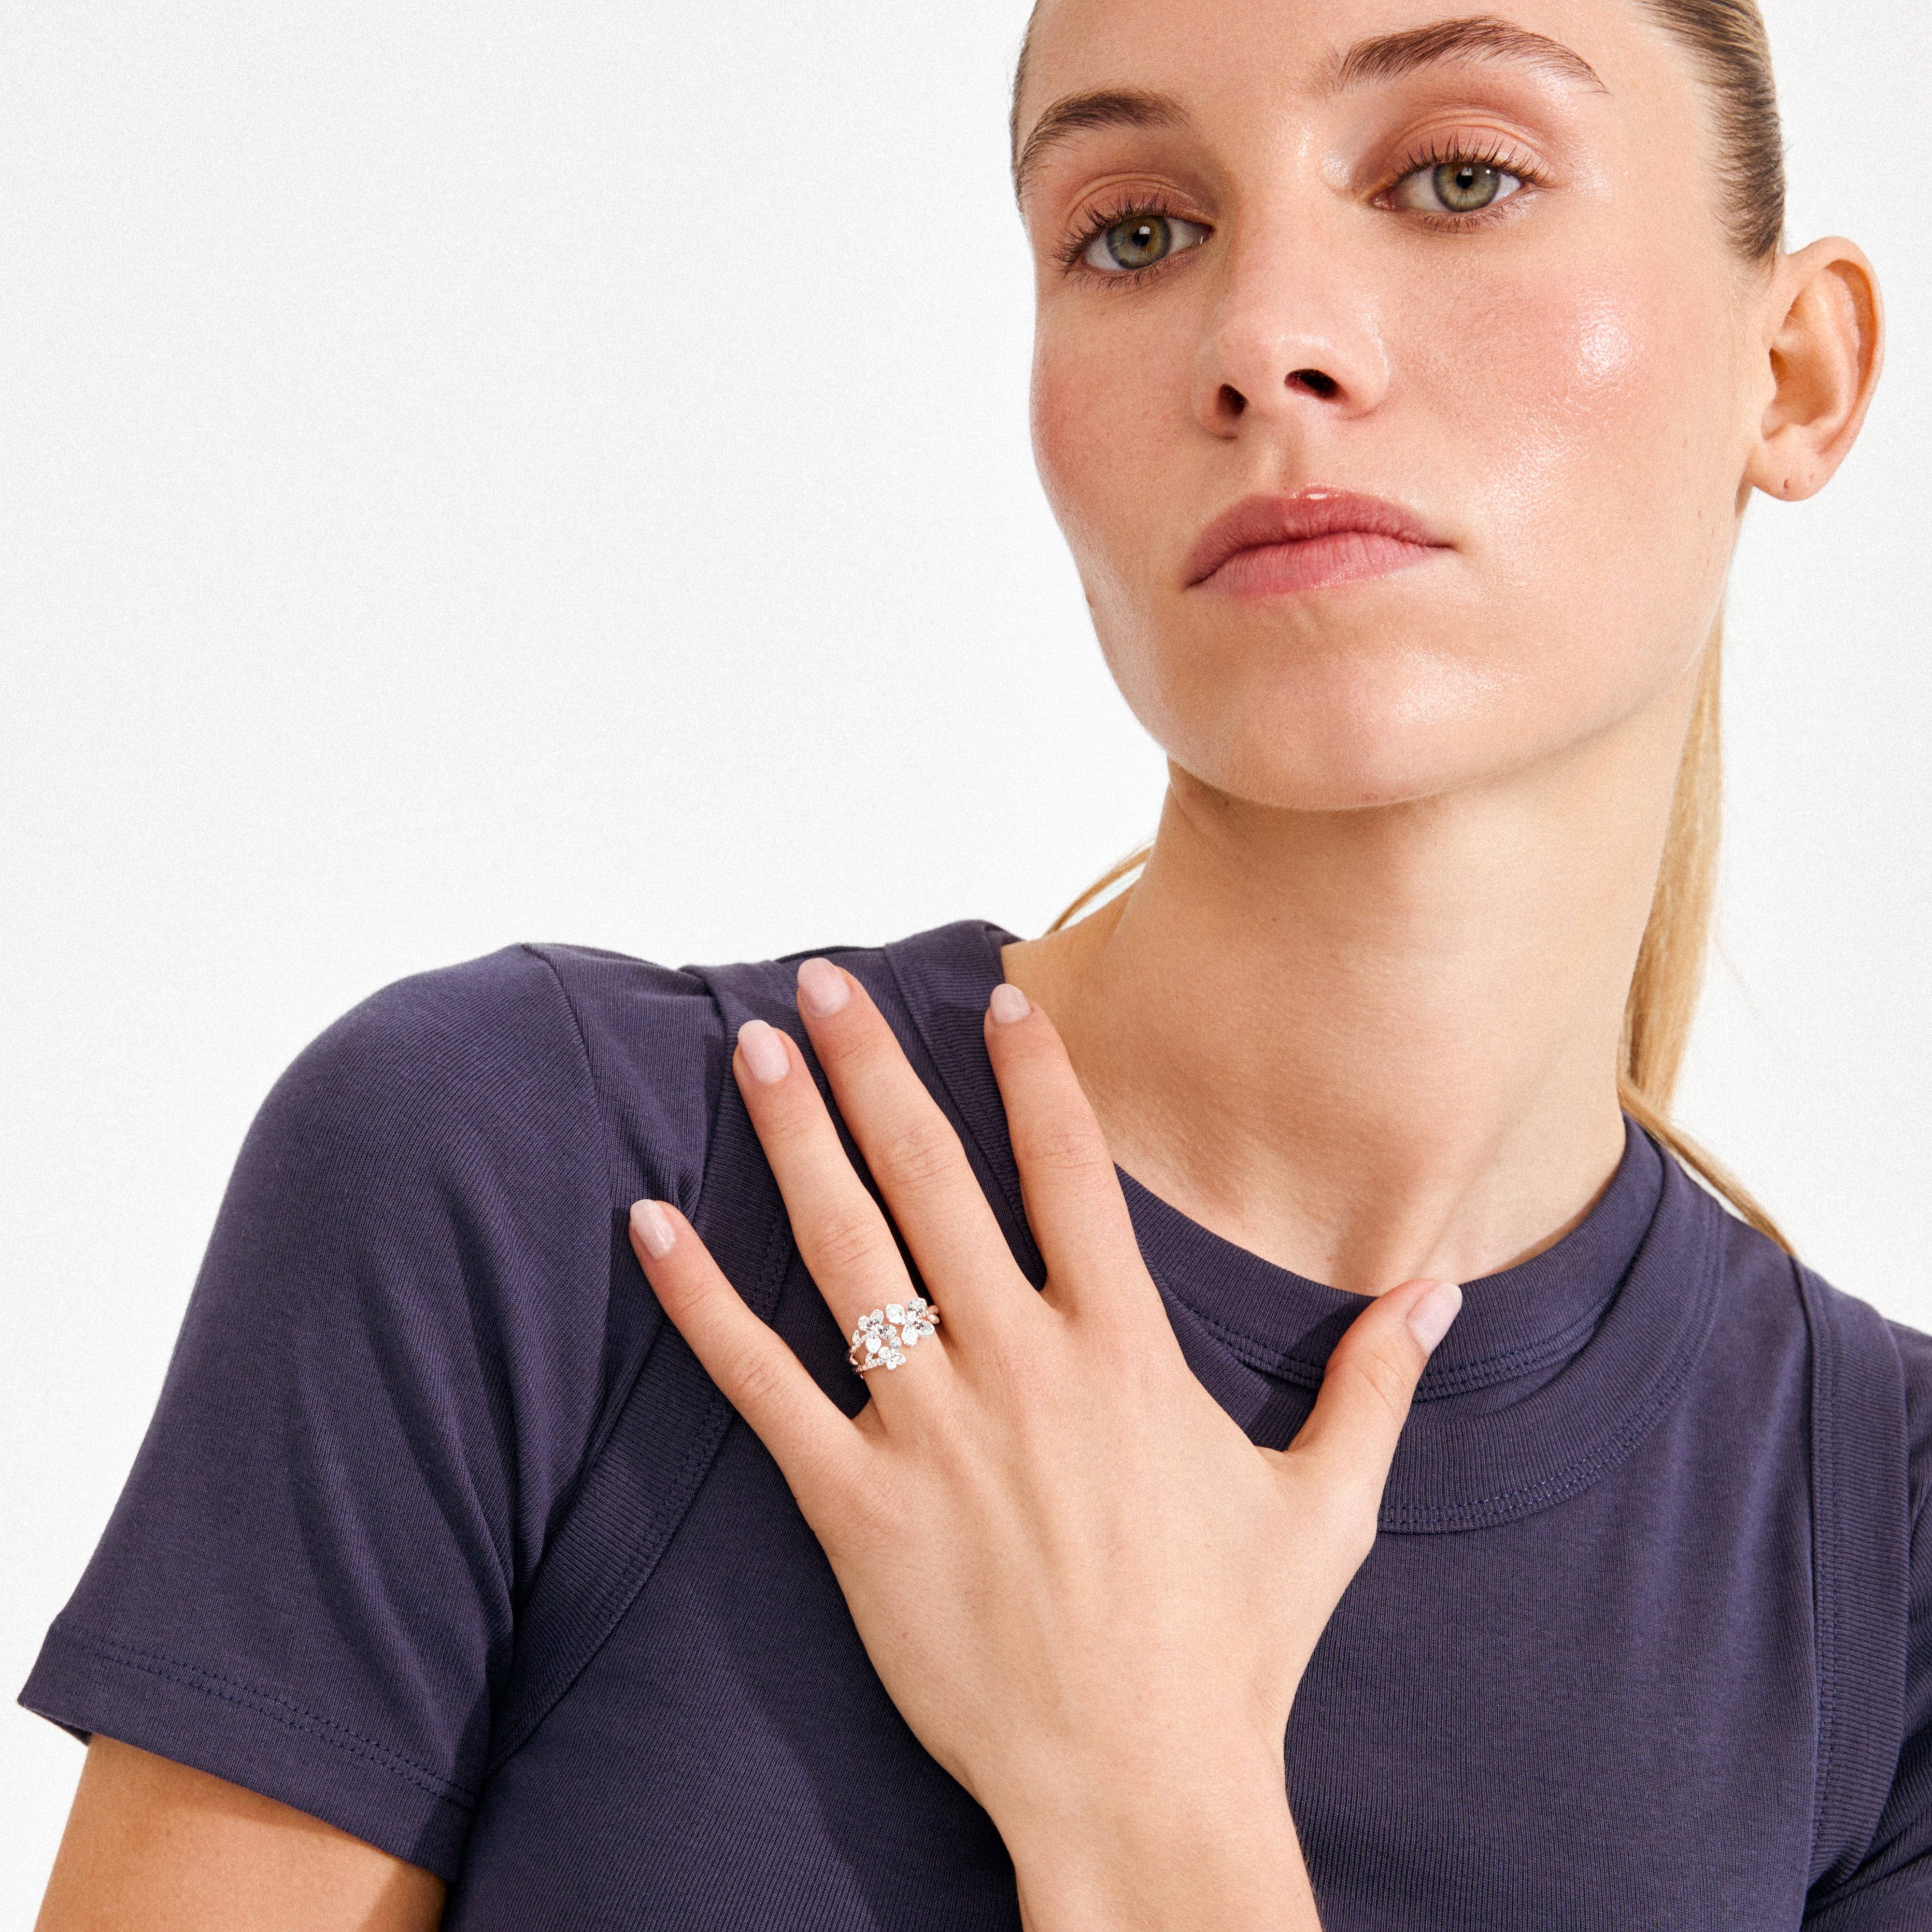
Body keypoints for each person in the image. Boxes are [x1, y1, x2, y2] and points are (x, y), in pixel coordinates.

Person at [23, 0, 1917, 1925]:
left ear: (1797, 369)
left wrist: (1153, 1804)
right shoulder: (540, 1195)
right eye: (1135, 228)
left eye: (1457, 178)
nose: (1267, 339)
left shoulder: (1894, 1560)